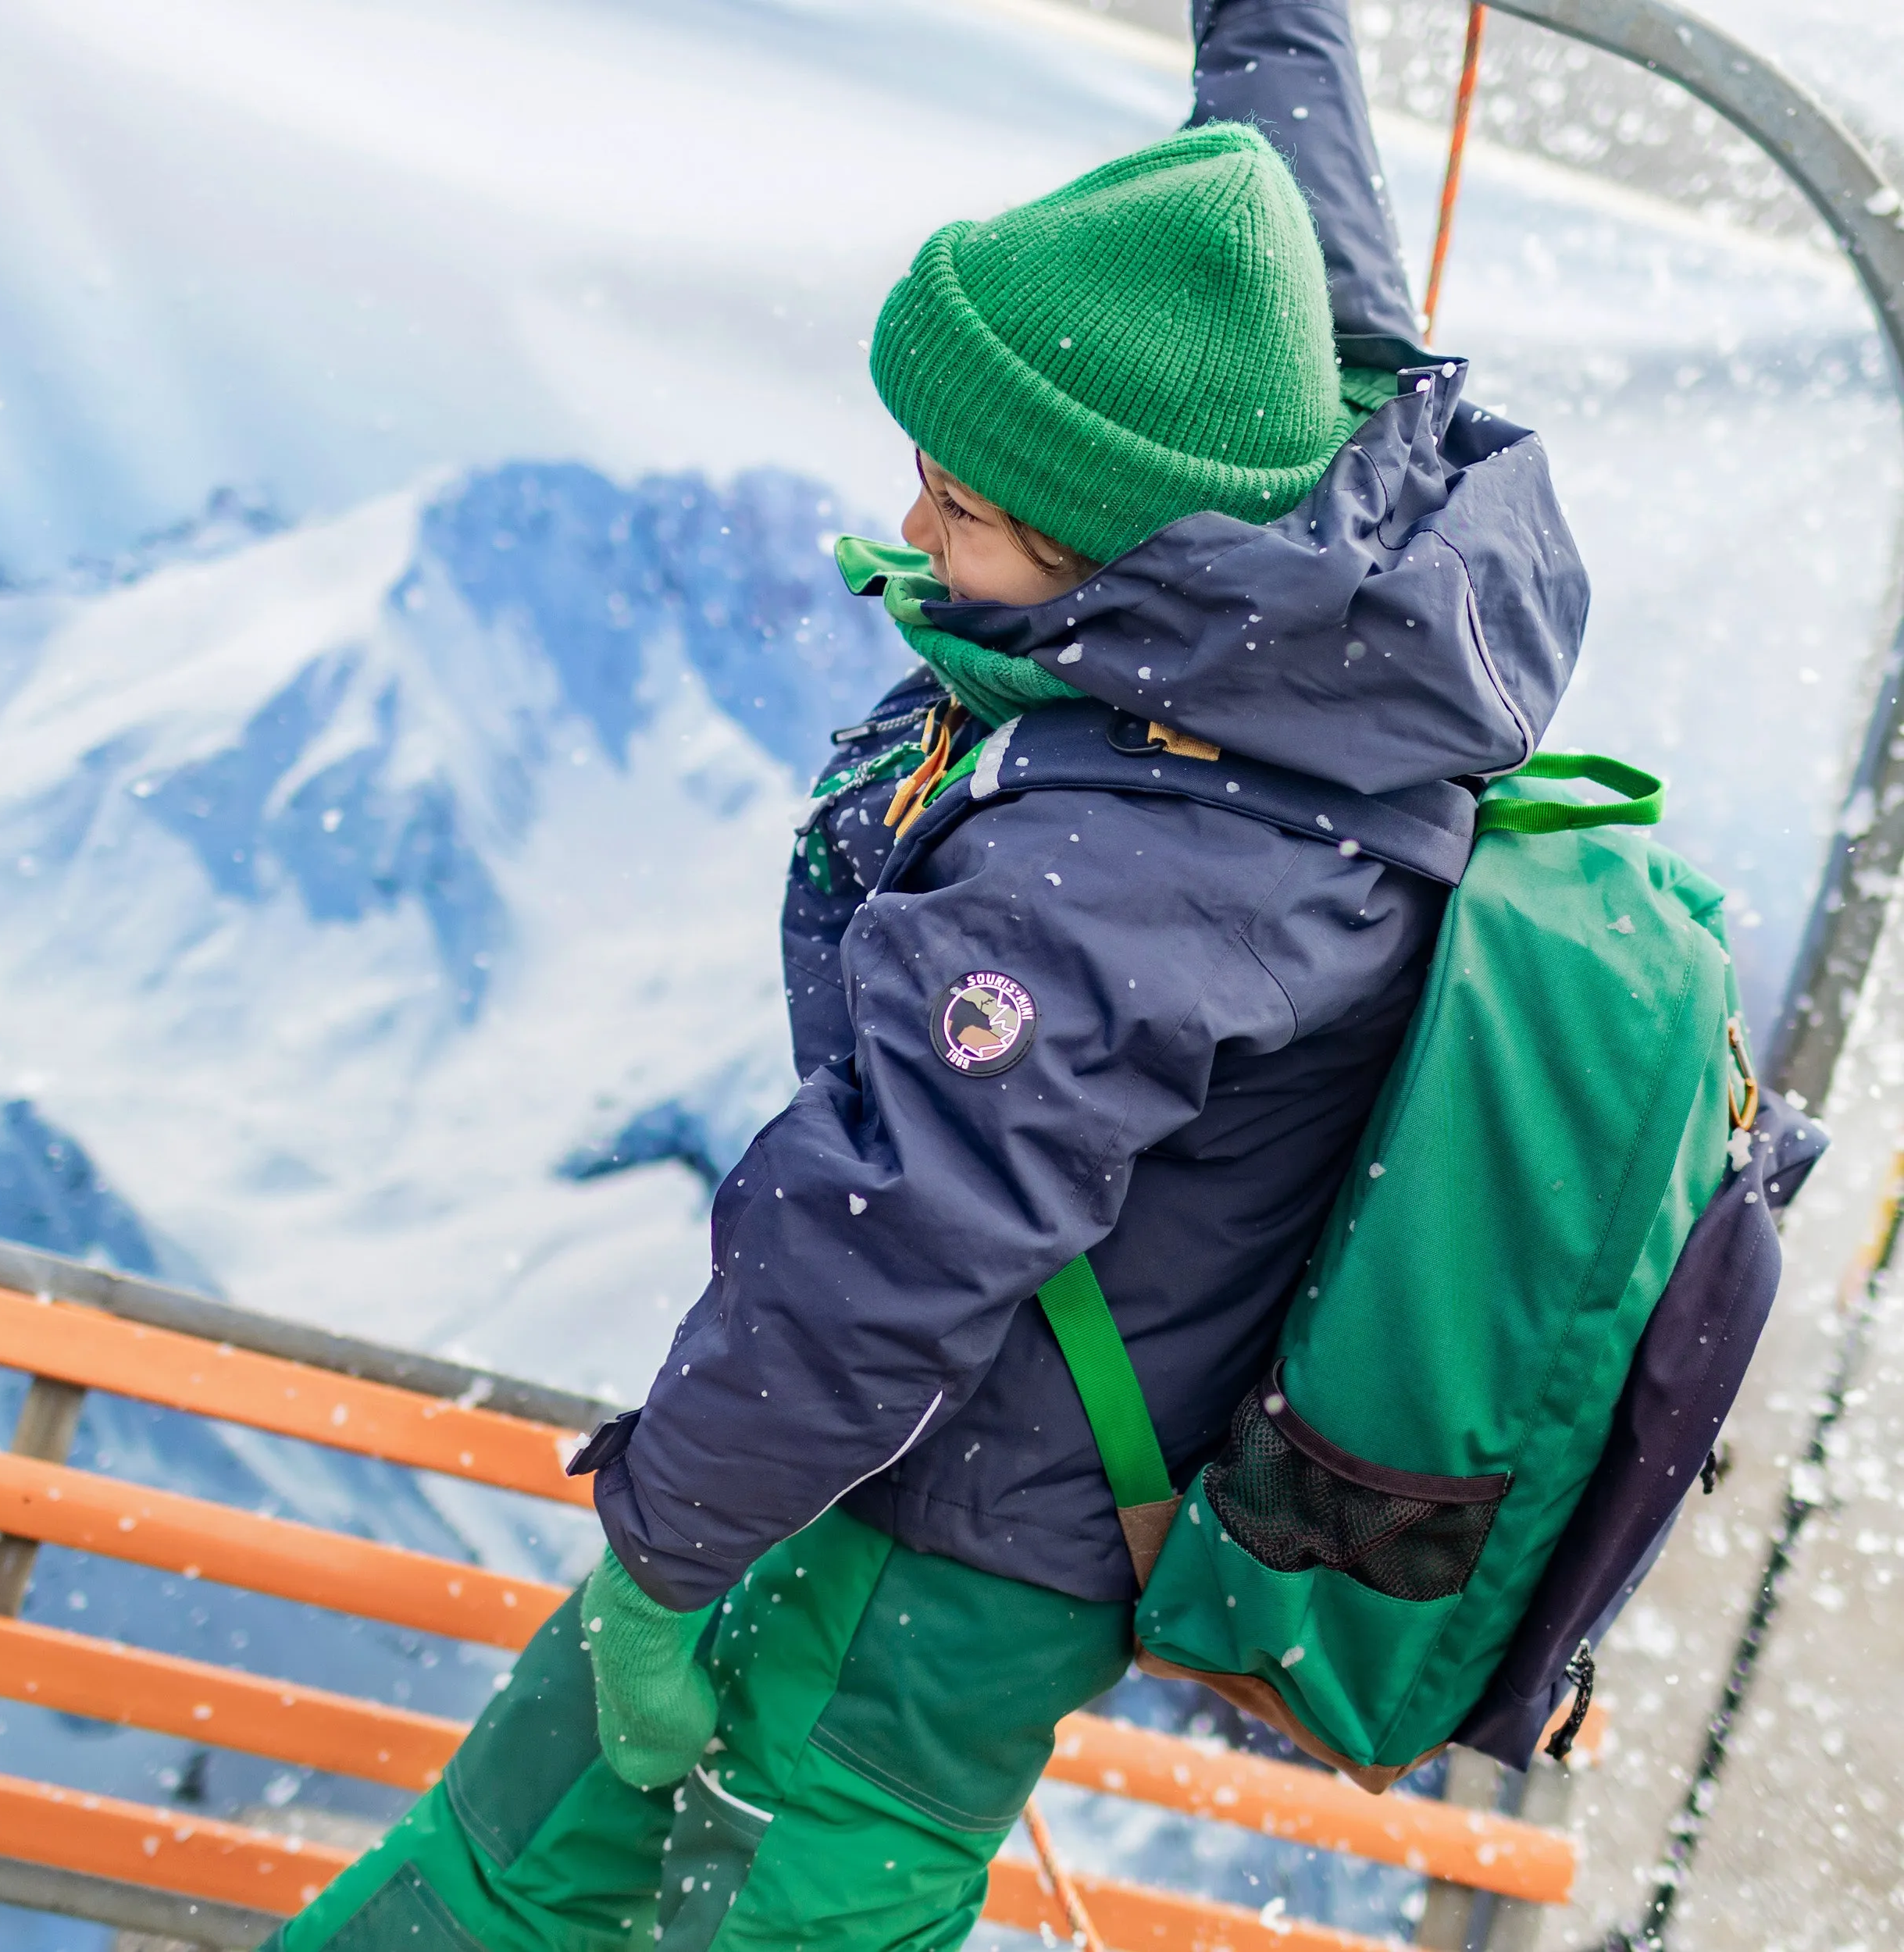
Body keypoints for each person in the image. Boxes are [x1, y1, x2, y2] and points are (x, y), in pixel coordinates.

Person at [267, 2, 1587, 1947]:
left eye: (961, 511)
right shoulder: (1308, 519)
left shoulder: (1124, 874)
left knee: (754, 1916)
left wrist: (654, 1567)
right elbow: (1286, 200)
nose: (911, 531)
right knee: (502, 1871)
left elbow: (883, 1237)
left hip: (952, 1550)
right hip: (833, 1466)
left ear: (1119, 549)